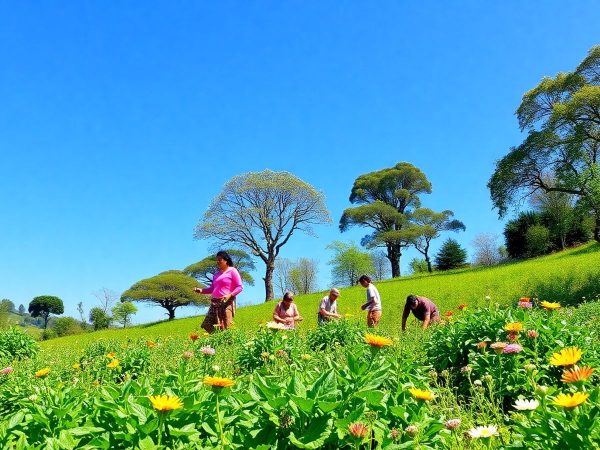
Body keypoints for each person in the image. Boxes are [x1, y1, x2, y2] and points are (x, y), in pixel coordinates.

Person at [194, 250, 243, 333]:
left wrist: (230, 295)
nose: (217, 262)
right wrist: (201, 290)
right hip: (215, 303)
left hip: (227, 302)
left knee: (227, 325)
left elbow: (239, 287)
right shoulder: (216, 275)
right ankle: (219, 337)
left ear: (226, 260)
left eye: (220, 260)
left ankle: (229, 342)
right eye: (217, 260)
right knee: (207, 324)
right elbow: (212, 289)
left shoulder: (232, 271)